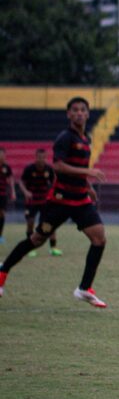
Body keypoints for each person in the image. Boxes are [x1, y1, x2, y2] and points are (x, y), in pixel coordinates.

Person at [0, 97, 108, 307]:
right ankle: (3, 271)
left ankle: (84, 288)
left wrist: (88, 187)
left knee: (99, 239)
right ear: (68, 114)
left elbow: (76, 169)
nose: (78, 113)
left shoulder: (86, 139)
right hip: (60, 200)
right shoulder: (64, 138)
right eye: (74, 110)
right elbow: (58, 166)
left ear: (87, 114)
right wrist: (88, 172)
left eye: (82, 110)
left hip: (80, 199)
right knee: (37, 239)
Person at [20, 149, 61, 257]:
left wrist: (53, 194)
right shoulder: (29, 169)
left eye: (43, 157)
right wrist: (25, 192)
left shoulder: (49, 169)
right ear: (36, 157)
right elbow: (21, 182)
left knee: (49, 223)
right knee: (31, 223)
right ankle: (30, 248)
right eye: (39, 157)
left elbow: (54, 182)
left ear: (46, 158)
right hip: (32, 200)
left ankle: (53, 248)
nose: (41, 159)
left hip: (45, 200)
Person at [0, 147, 14, 244]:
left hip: (2, 195)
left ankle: (0, 236)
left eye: (3, 155)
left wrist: (13, 191)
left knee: (2, 214)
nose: (1, 156)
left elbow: (10, 179)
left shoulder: (6, 167)